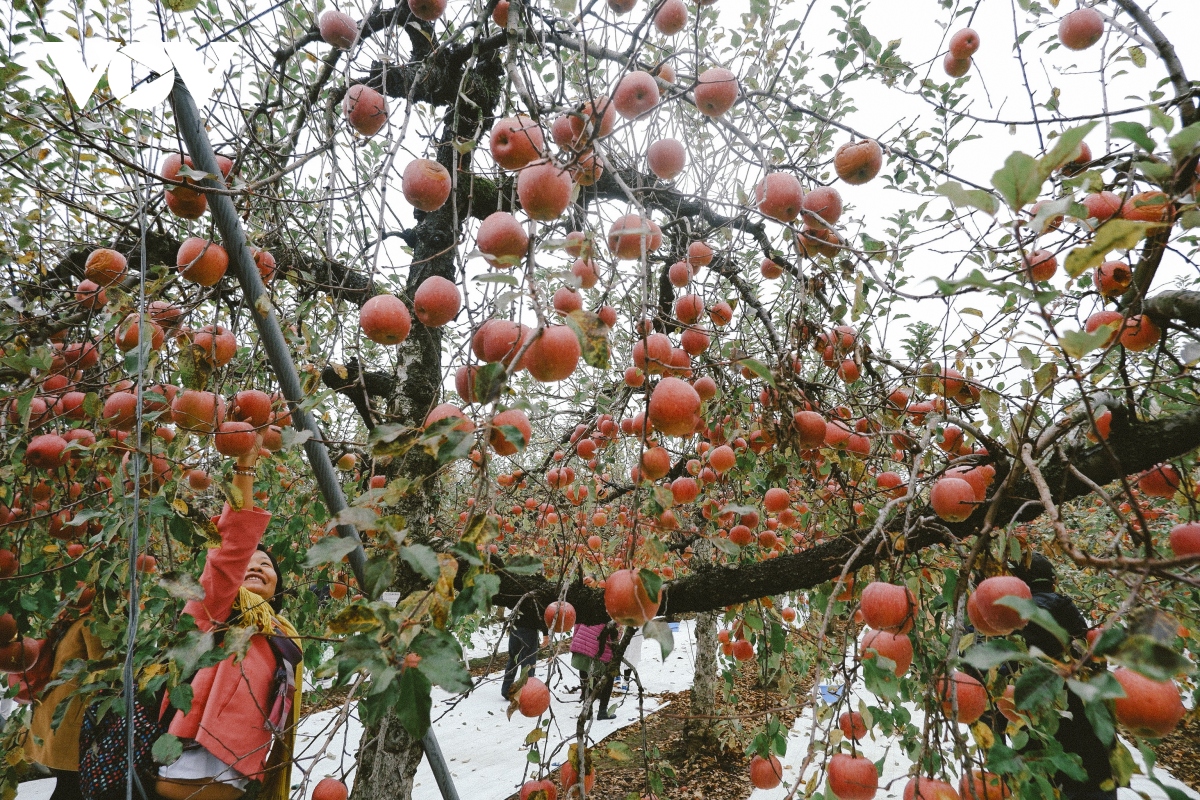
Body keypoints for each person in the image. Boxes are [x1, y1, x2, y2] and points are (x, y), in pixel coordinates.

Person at [155, 440, 302, 800]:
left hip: (243, 777)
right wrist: (246, 466)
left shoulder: (285, 634)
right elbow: (233, 543)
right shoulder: (217, 608)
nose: (256, 565)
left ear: (278, 584)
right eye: (248, 562)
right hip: (189, 770)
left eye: (266, 564)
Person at [1010, 554, 1115, 800]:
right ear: (1053, 582)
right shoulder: (1068, 613)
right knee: (1093, 782)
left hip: (1034, 722)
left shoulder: (1007, 620)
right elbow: (1094, 662)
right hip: (1083, 724)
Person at [17, 613, 106, 800]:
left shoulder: (71, 621)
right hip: (68, 720)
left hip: (53, 713)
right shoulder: (92, 623)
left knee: (68, 786)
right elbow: (102, 669)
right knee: (72, 788)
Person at [569, 623, 616, 720]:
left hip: (582, 641)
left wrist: (575, 642)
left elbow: (577, 624)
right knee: (609, 675)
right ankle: (602, 711)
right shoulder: (613, 610)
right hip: (599, 645)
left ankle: (587, 710)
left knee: (585, 674)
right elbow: (614, 632)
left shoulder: (587, 607)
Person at [500, 603, 546, 701]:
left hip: (515, 627)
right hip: (529, 628)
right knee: (528, 661)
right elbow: (540, 612)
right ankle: (527, 691)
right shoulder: (535, 593)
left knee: (513, 658)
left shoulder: (517, 590)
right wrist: (546, 633)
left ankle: (506, 689)